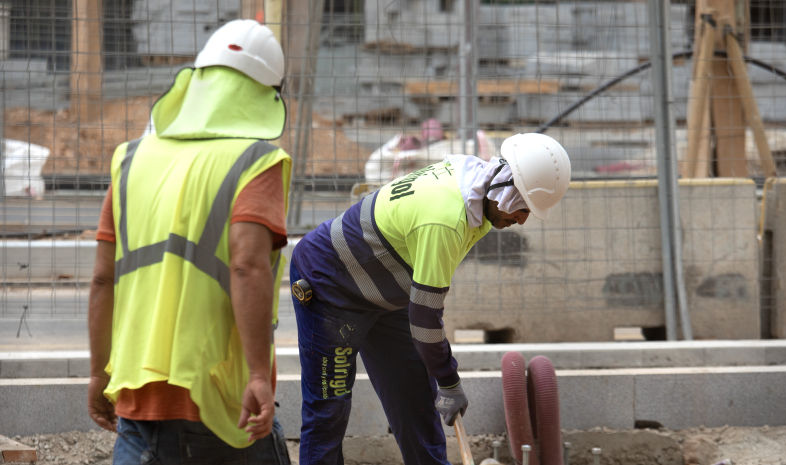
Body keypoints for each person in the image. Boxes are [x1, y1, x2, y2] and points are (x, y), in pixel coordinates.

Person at [290, 133, 572, 465]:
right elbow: (425, 320)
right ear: (506, 187)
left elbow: (422, 311)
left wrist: (440, 375)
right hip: (331, 286)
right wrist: (449, 379)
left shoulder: (474, 185)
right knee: (329, 410)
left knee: (415, 402)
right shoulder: (447, 218)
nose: (522, 220)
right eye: (522, 207)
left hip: (388, 292)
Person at [87, 19, 293, 464]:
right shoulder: (256, 162)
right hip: (220, 401)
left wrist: (97, 373)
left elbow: (104, 280)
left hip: (137, 401)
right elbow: (247, 266)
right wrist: (260, 375)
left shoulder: (131, 159)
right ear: (267, 95)